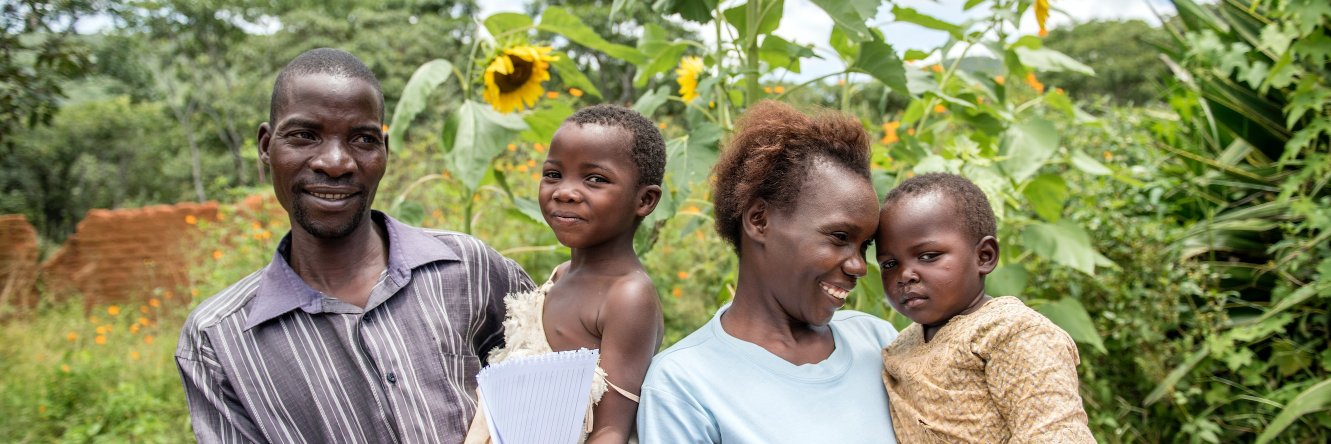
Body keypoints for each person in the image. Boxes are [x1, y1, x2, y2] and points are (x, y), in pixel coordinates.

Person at [175, 48, 534, 443]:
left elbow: (556, 389)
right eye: (304, 136)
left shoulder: (471, 269)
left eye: (362, 139)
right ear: (266, 145)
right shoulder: (219, 340)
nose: (335, 162)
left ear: (384, 151)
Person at [636, 101, 899, 443]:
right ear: (759, 220)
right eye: (839, 237)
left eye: (864, 246)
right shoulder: (684, 384)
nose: (859, 266)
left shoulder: (877, 341)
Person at [465, 104, 666, 443]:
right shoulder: (560, 275)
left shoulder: (627, 296)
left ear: (645, 200)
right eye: (553, 174)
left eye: (595, 179)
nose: (564, 192)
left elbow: (610, 430)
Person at [875, 172, 1095, 443]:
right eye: (889, 264)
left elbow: (1054, 432)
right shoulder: (899, 347)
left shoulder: (1011, 332)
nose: (905, 275)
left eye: (928, 256)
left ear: (984, 256)